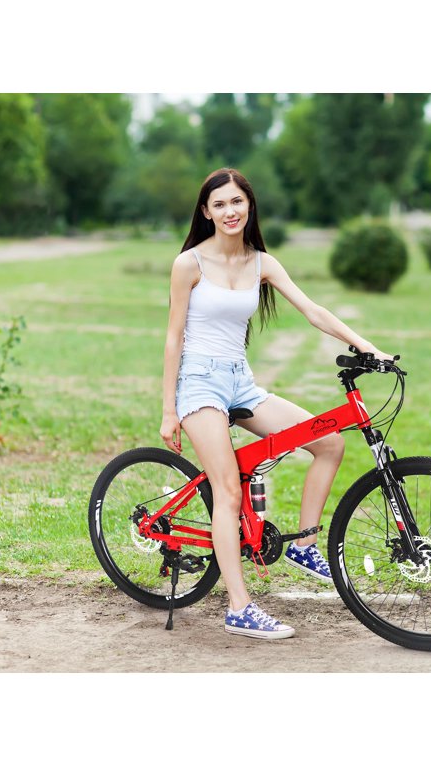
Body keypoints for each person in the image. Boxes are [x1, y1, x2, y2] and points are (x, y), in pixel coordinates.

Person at [160, 168, 392, 640]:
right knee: (226, 492)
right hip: (200, 386)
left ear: (250, 206)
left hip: (240, 384)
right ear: (206, 211)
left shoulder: (260, 262)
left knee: (328, 443)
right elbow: (174, 335)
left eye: (237, 202)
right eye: (220, 204)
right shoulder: (189, 263)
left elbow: (313, 310)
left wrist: (367, 346)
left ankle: (305, 543)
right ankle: (239, 608)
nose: (230, 211)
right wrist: (169, 408)